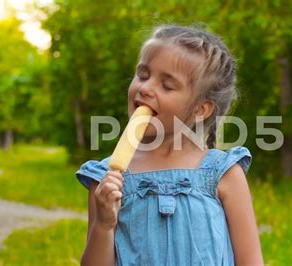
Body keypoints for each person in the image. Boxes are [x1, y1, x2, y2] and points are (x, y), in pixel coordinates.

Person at [76, 24, 264, 265]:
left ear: (200, 110)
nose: (145, 88)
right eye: (143, 75)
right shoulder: (106, 178)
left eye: (167, 85)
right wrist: (103, 224)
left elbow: (251, 261)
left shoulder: (224, 173)